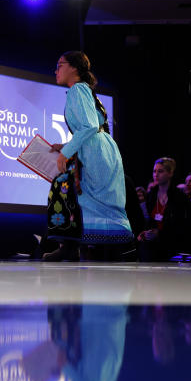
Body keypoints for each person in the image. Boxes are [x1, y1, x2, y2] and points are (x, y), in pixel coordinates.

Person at [43, 51, 134, 261]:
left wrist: (65, 153)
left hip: (96, 152)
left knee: (63, 186)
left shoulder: (78, 89)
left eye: (60, 65)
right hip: (101, 149)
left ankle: (70, 244)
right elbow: (94, 126)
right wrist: (64, 145)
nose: (56, 70)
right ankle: (71, 243)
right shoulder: (84, 90)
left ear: (74, 68)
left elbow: (90, 126)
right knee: (81, 193)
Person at [138, 157, 191, 261]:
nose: (155, 174)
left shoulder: (179, 197)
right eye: (154, 171)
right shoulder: (151, 195)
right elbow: (149, 221)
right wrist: (145, 232)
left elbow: (182, 226)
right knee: (143, 244)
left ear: (170, 173)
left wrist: (159, 233)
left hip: (172, 240)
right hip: (154, 242)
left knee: (151, 248)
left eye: (160, 171)